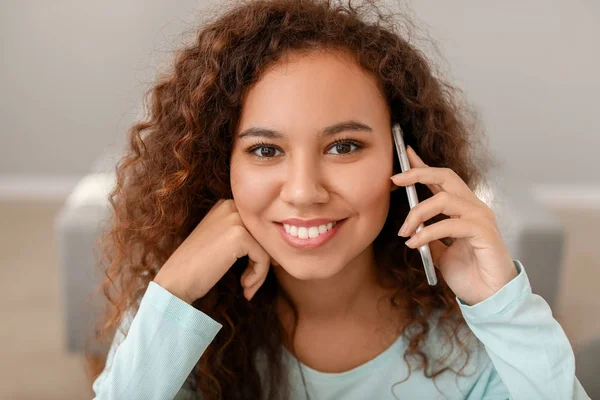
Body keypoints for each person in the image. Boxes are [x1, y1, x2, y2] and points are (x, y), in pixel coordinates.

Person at [87, 0, 591, 399]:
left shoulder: (474, 344)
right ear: (221, 169)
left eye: (343, 146)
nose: (305, 192)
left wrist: (503, 307)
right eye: (265, 150)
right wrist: (172, 292)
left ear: (402, 157)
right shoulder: (187, 326)